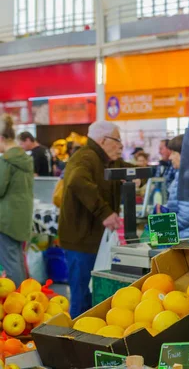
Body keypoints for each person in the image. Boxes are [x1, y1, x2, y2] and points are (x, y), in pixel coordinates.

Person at [58, 121, 132, 317]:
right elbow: (77, 182)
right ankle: (74, 341)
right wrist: (105, 212)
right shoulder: (84, 158)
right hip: (81, 241)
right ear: (102, 140)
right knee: (81, 295)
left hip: (99, 241)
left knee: (96, 295)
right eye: (117, 140)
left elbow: (128, 169)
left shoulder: (110, 161)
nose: (121, 145)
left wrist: (139, 175)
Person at [0, 116, 33, 285]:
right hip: (22, 217)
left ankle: (16, 300)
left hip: (6, 220)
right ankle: (24, 294)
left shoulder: (6, 160)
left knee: (10, 263)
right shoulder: (25, 159)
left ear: (1, 138)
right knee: (18, 259)